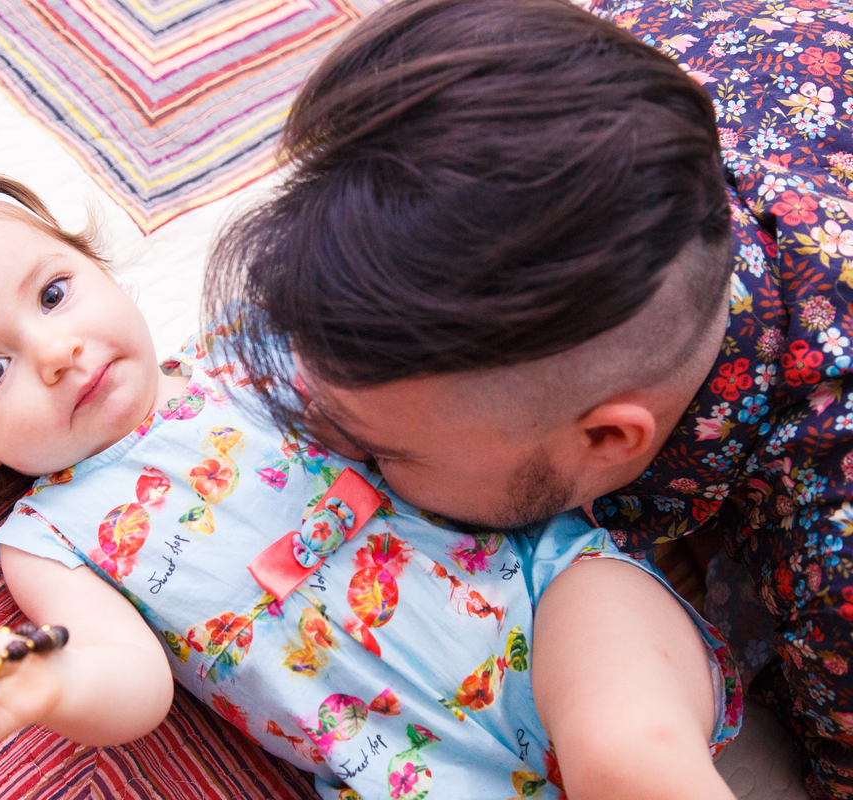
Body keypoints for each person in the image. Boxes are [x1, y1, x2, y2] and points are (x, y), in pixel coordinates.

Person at [0, 173, 741, 799]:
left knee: (629, 751)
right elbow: (130, 688)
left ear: (96, 267)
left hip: (550, 601)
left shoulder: (252, 348)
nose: (56, 354)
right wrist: (40, 686)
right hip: (405, 771)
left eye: (53, 294)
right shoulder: (48, 538)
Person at [202, 0, 853, 796]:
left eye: (384, 451)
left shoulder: (835, 562)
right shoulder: (570, 75)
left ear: (611, 439)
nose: (327, 444)